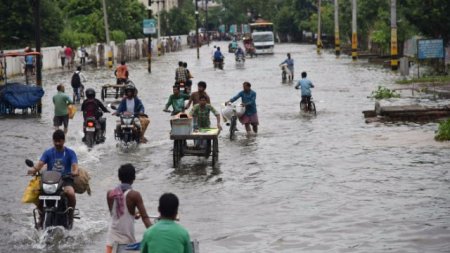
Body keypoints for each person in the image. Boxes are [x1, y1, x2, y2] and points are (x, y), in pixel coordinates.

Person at [27, 130, 79, 229]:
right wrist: (33, 170)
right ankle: (41, 216)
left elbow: (74, 165)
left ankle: (70, 215)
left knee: (71, 193)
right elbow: (40, 164)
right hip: (50, 180)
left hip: (65, 179)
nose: (57, 143)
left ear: (64, 141)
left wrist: (75, 171)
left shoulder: (70, 153)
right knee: (37, 193)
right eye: (55, 141)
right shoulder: (48, 152)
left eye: (59, 141)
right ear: (53, 141)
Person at [106, 164, 152, 253]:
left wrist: (133, 213)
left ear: (119, 177)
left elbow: (115, 214)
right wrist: (157, 234)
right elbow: (145, 218)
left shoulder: (110, 194)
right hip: (126, 244)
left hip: (111, 242)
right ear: (133, 178)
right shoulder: (134, 195)